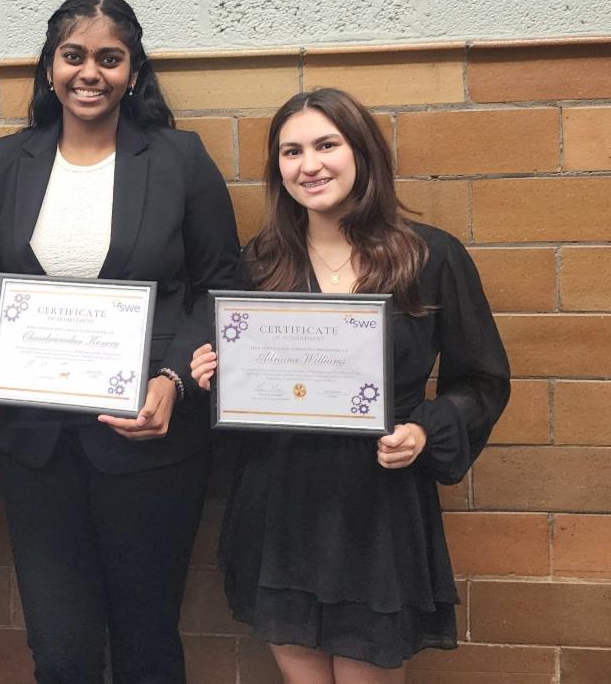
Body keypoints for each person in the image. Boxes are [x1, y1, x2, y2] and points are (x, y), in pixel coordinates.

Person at [0, 0, 240, 682]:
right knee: (60, 650)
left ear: (134, 73)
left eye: (110, 59)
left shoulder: (178, 158)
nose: (90, 73)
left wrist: (173, 381)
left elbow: (221, 285)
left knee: (145, 639)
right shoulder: (8, 160)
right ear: (50, 67)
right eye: (73, 56)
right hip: (36, 445)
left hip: (147, 440)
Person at [191, 87, 510, 683]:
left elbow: (482, 381)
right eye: (291, 152)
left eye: (326, 145)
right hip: (281, 502)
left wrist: (424, 431)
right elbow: (248, 387)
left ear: (362, 152)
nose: (308, 165)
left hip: (377, 510)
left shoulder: (429, 257)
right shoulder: (259, 264)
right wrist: (217, 377)